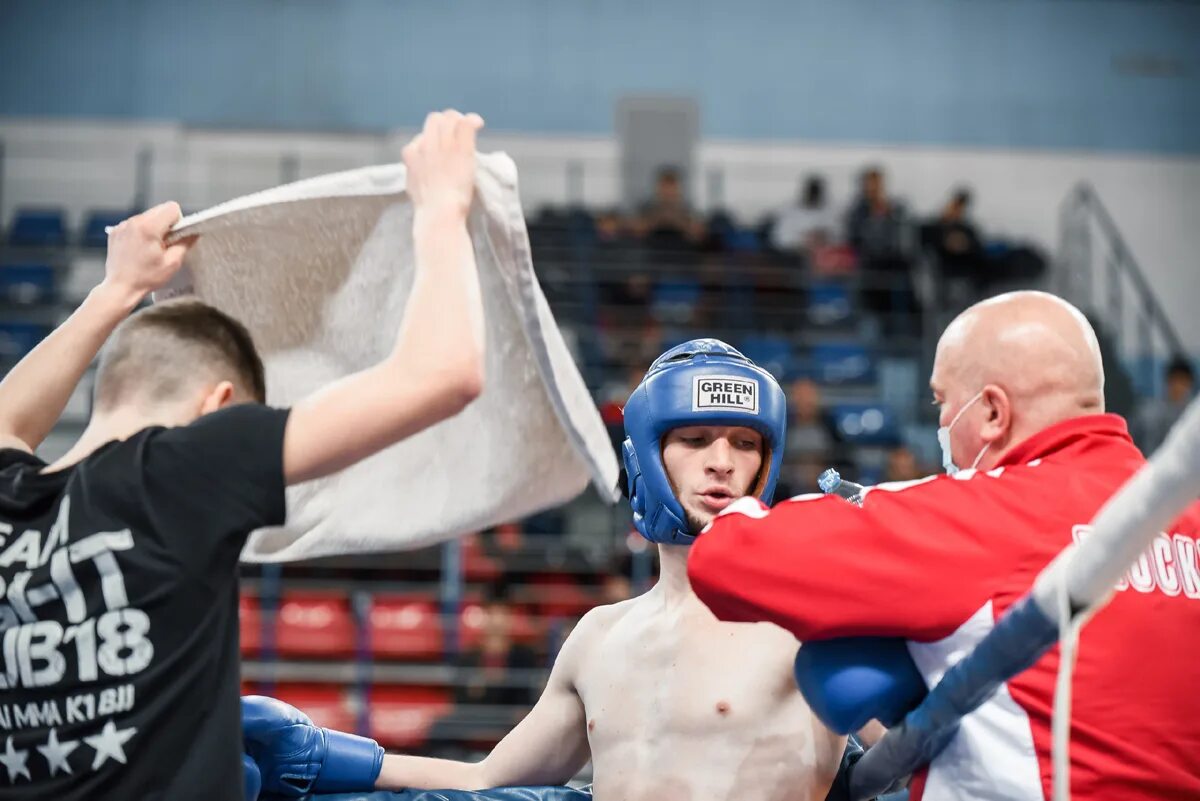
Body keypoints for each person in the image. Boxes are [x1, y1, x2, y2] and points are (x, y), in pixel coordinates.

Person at [0, 110, 488, 800]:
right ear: (217, 405)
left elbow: (6, 417)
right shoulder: (176, 471)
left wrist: (117, 290)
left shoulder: (12, 502)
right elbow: (447, 374)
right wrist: (444, 207)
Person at [242, 339, 867, 801]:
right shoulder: (600, 638)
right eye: (697, 439)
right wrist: (320, 755)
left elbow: (937, 747)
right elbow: (484, 780)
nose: (722, 462)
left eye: (744, 443)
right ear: (649, 459)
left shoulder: (813, 623)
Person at [687, 291, 1200, 801]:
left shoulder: (980, 515)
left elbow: (724, 558)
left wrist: (745, 501)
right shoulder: (1188, 516)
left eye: (942, 401)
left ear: (993, 412)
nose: (940, 423)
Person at [1133, 355, 1195, 455]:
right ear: (1167, 381)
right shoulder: (1148, 414)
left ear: (1189, 384)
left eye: (1182, 381)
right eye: (1174, 380)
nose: (1178, 386)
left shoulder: (1194, 415)